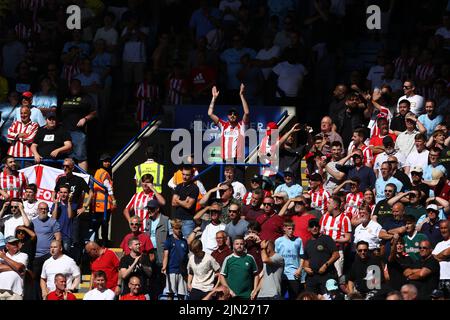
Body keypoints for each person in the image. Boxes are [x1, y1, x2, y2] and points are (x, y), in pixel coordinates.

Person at [54, 158, 92, 262]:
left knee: (74, 241)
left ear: (73, 167)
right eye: (64, 166)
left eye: (67, 166)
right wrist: (55, 201)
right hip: (62, 212)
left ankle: (75, 263)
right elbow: (55, 191)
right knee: (59, 239)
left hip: (74, 213)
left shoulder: (79, 180)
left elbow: (91, 193)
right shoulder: (61, 180)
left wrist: (84, 207)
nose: (65, 168)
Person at [59, 79, 97, 171]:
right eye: (72, 85)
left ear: (80, 87)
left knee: (81, 157)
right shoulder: (64, 96)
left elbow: (94, 112)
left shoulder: (86, 97)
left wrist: (85, 119)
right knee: (66, 157)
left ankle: (83, 180)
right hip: (64, 132)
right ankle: (66, 179)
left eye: (77, 85)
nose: (74, 87)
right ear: (70, 86)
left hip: (78, 132)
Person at [208, 84, 250, 163]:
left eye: (235, 114)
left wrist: (241, 95)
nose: (233, 115)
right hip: (225, 160)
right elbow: (210, 113)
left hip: (238, 161)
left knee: (238, 176)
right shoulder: (223, 125)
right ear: (227, 115)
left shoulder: (242, 125)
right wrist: (214, 98)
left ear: (238, 116)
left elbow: (247, 113)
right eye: (231, 113)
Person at [31, 202, 61, 300]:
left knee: (49, 278)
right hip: (35, 255)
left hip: (48, 255)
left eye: (45, 209)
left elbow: (58, 238)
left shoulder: (53, 222)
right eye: (41, 209)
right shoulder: (33, 222)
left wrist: (56, 253)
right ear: (37, 210)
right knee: (35, 279)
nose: (43, 210)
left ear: (48, 210)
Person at [303, 219, 340, 295]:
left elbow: (336, 254)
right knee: (310, 297)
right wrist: (306, 268)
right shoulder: (308, 242)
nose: (314, 228)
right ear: (308, 229)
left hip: (327, 275)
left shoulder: (326, 238)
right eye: (312, 226)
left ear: (319, 227)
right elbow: (306, 259)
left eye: (316, 225)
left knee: (329, 297)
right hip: (312, 276)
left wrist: (325, 265)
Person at [143, 200, 170, 300]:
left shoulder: (166, 220)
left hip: (161, 251)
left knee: (160, 276)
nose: (149, 210)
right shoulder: (148, 220)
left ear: (157, 209)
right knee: (150, 276)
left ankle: (158, 296)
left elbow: (170, 236)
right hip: (149, 251)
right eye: (148, 209)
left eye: (151, 209)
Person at [319, 196, 352, 278]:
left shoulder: (344, 219)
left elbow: (348, 238)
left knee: (338, 276)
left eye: (329, 203)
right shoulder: (325, 217)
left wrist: (333, 240)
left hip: (337, 251)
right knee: (324, 274)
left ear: (335, 206)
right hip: (324, 251)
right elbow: (321, 233)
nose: (327, 205)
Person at [275, 221, 304, 299]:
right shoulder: (278, 241)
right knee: (280, 296)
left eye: (293, 229)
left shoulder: (298, 240)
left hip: (294, 273)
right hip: (282, 273)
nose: (291, 231)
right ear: (284, 229)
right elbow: (275, 257)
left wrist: (300, 269)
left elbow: (302, 256)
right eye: (289, 229)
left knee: (294, 296)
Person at [91, 153, 116, 244]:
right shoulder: (104, 173)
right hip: (104, 205)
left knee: (97, 225)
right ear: (101, 162)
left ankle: (97, 241)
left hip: (97, 204)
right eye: (105, 161)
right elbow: (108, 187)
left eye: (108, 161)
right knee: (104, 224)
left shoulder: (97, 172)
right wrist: (113, 199)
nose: (107, 163)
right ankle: (104, 242)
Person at [162, 219, 189, 300]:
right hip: (172, 269)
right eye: (176, 228)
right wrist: (164, 267)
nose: (178, 230)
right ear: (173, 228)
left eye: (180, 228)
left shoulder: (184, 241)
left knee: (181, 294)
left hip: (182, 271)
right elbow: (166, 255)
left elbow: (186, 256)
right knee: (170, 293)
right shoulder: (169, 240)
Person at [172, 166, 200, 238]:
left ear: (192, 176)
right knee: (175, 243)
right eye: (183, 174)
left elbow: (188, 206)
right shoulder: (178, 186)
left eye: (187, 175)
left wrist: (178, 200)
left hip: (188, 221)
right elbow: (173, 203)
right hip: (177, 220)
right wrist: (184, 201)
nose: (184, 177)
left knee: (187, 244)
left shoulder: (194, 188)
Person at [0, 236, 28, 300]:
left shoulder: (23, 255)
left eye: (16, 243)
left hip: (16, 292)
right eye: (13, 244)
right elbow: (19, 268)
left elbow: (19, 267)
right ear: (7, 246)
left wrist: (4, 258)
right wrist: (15, 267)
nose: (15, 245)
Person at [50, 184, 76, 254]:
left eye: (65, 192)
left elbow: (70, 216)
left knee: (65, 255)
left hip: (66, 236)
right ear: (59, 193)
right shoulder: (56, 204)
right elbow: (53, 218)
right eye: (61, 192)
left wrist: (69, 203)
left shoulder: (73, 204)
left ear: (69, 193)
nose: (63, 194)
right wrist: (55, 204)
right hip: (55, 235)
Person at [432, 220, 450, 299]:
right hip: (439, 278)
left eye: (445, 228)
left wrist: (438, 257)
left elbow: (446, 253)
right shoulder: (439, 244)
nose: (443, 230)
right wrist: (441, 257)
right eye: (441, 228)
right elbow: (432, 258)